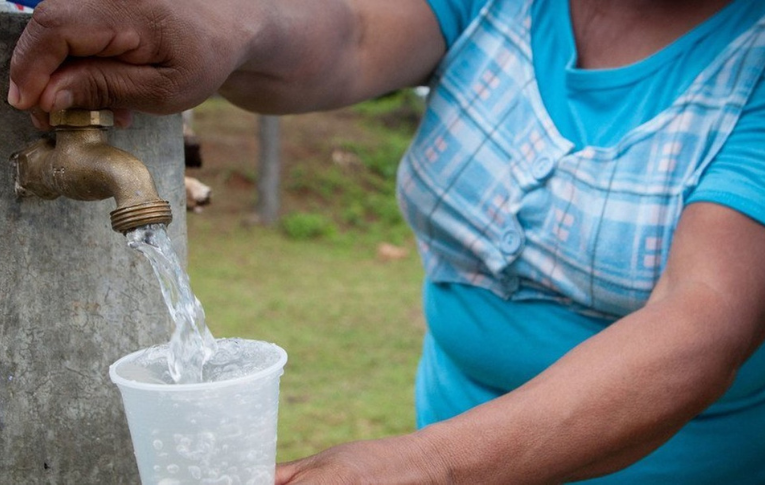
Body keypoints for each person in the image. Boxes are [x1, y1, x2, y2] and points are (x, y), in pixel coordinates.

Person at [9, 0, 765, 482]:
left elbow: (699, 322)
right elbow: (350, 37)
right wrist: (225, 26)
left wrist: (428, 464)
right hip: (452, 430)